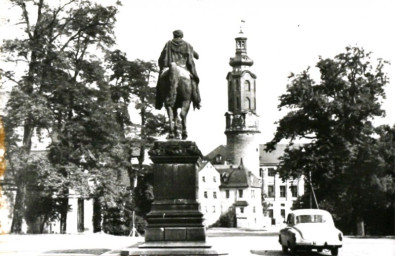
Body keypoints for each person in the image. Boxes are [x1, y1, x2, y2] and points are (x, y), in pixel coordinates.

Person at [156, 30, 201, 109]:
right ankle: (196, 99)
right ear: (182, 36)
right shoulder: (187, 44)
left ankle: (159, 101)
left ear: (174, 35)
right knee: (194, 81)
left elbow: (161, 58)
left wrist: (162, 66)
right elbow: (197, 56)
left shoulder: (168, 43)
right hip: (183, 67)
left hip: (170, 66)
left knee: (160, 81)